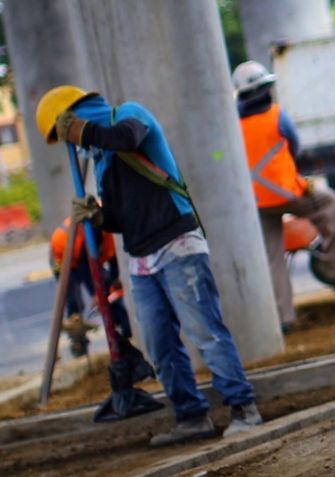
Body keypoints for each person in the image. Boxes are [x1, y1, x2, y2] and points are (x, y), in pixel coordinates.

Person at [35, 85, 263, 447]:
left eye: (70, 133)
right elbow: (124, 217)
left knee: (204, 330)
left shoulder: (129, 114)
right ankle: (191, 415)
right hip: (141, 257)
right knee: (159, 344)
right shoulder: (103, 160)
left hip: (177, 243)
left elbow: (127, 138)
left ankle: (244, 409)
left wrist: (85, 131)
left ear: (78, 115)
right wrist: (100, 217)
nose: (76, 145)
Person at [231, 60, 335, 326]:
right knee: (329, 203)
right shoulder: (276, 115)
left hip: (257, 203)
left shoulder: (233, 125)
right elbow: (295, 148)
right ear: (264, 90)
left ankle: (284, 317)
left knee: (272, 258)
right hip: (288, 194)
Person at [49, 216, 132, 358]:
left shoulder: (107, 231)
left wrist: (113, 281)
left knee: (109, 294)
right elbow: (83, 266)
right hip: (64, 258)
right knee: (74, 301)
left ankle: (125, 331)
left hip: (84, 259)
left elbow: (112, 260)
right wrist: (96, 293)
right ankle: (78, 343)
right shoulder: (89, 231)